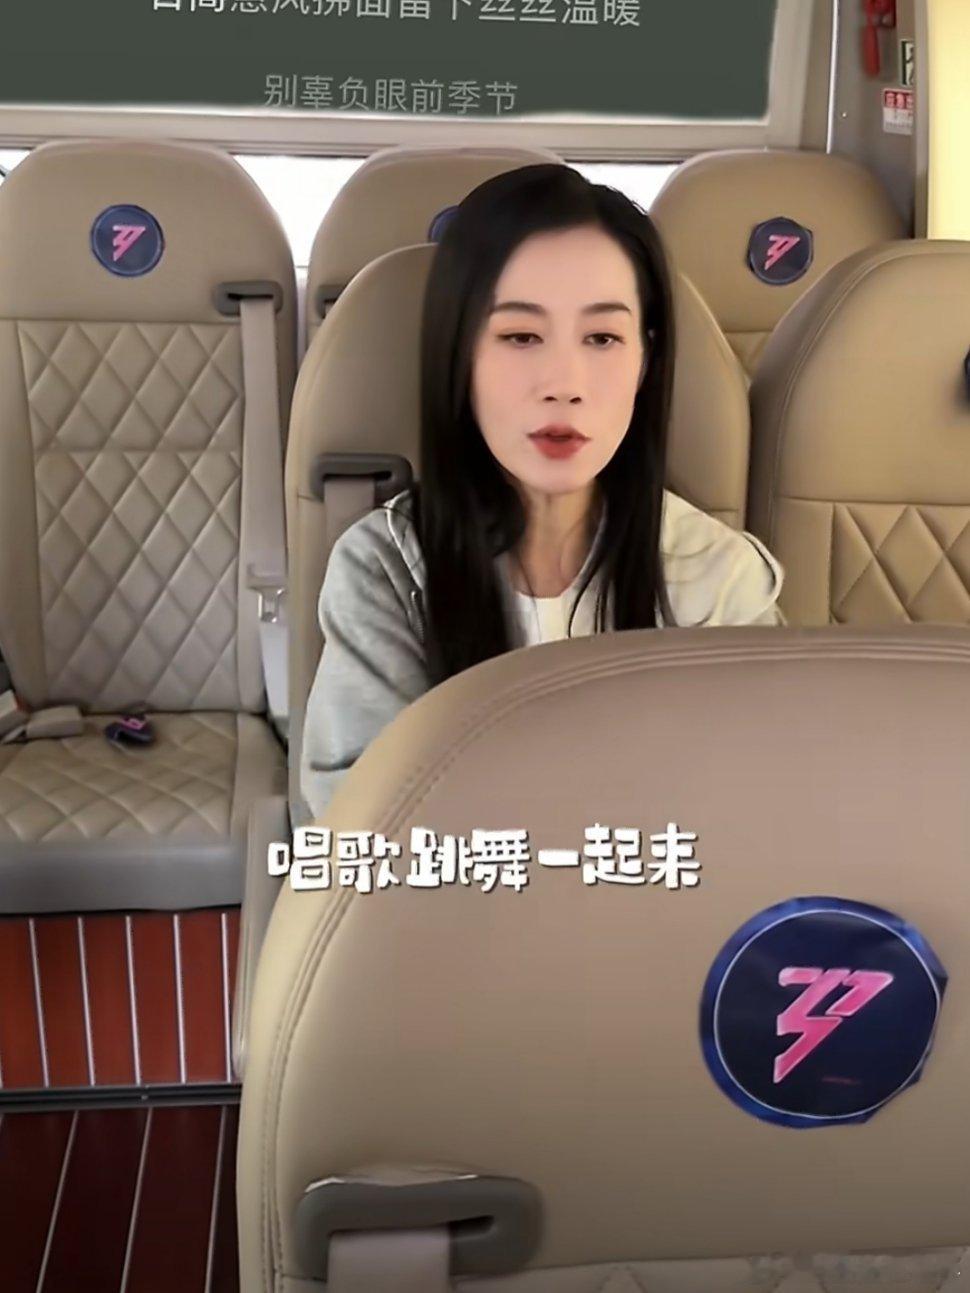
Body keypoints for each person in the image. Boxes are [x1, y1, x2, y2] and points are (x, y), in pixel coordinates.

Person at [299, 163, 784, 822]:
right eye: (521, 336)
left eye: (603, 338)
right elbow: (361, 823)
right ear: (460, 356)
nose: (564, 384)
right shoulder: (384, 572)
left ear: (646, 360)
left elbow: (761, 816)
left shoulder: (719, 579)